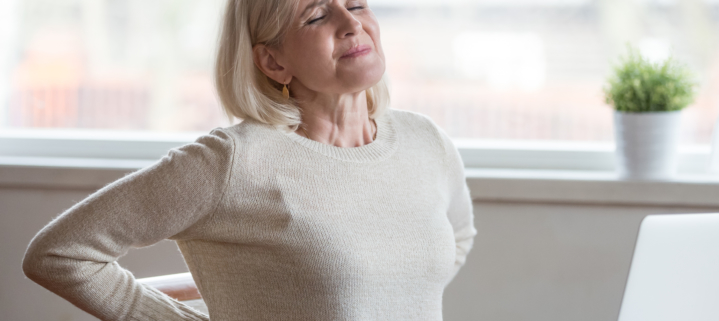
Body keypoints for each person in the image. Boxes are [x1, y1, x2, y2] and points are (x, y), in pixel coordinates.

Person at [21, 0, 477, 320]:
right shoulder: (233, 163)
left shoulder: (425, 141)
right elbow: (60, 255)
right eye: (316, 15)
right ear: (273, 62)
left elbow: (458, 236)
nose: (349, 23)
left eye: (356, 5)